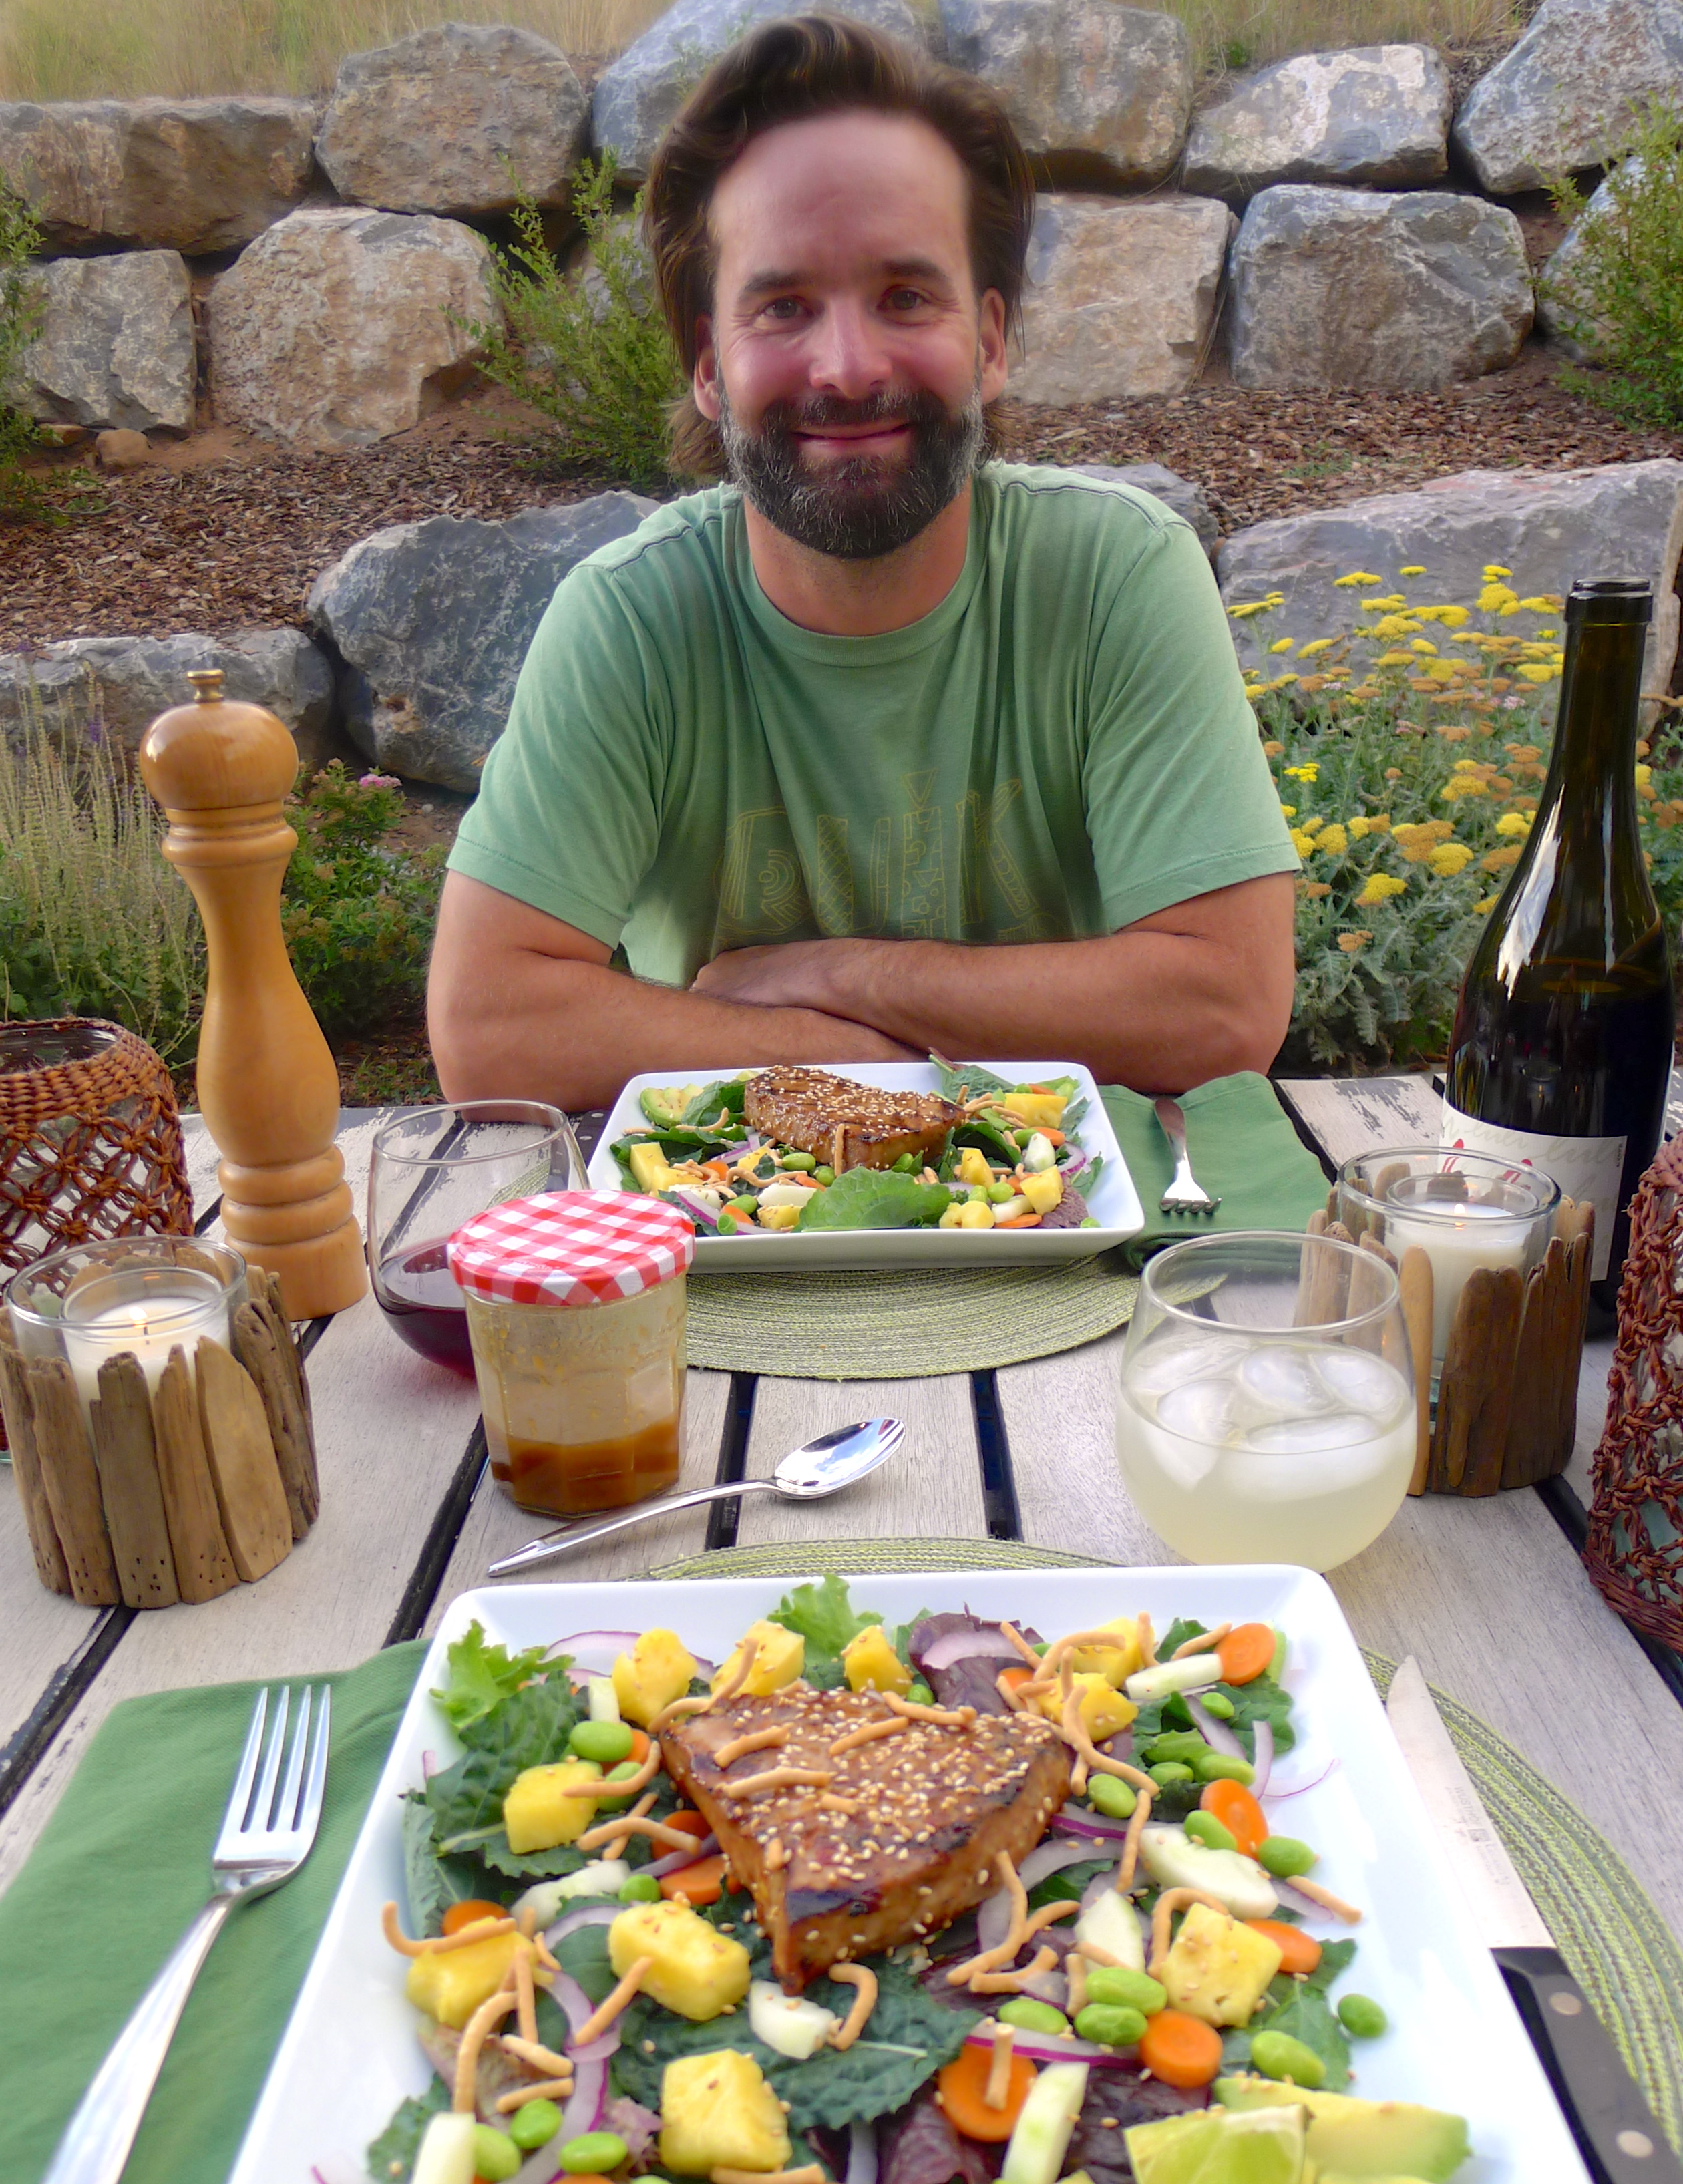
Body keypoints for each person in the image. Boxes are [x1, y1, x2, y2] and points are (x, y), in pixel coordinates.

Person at [429, 15, 1298, 1111]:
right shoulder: (632, 620)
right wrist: (838, 1054)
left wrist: (844, 975)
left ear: (990, 341)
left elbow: (1227, 1007)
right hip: (732, 1214)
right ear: (709, 365)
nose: (845, 367)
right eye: (784, 306)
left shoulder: (1116, 575)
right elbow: (488, 1029)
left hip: (1080, 1209)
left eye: (905, 297)